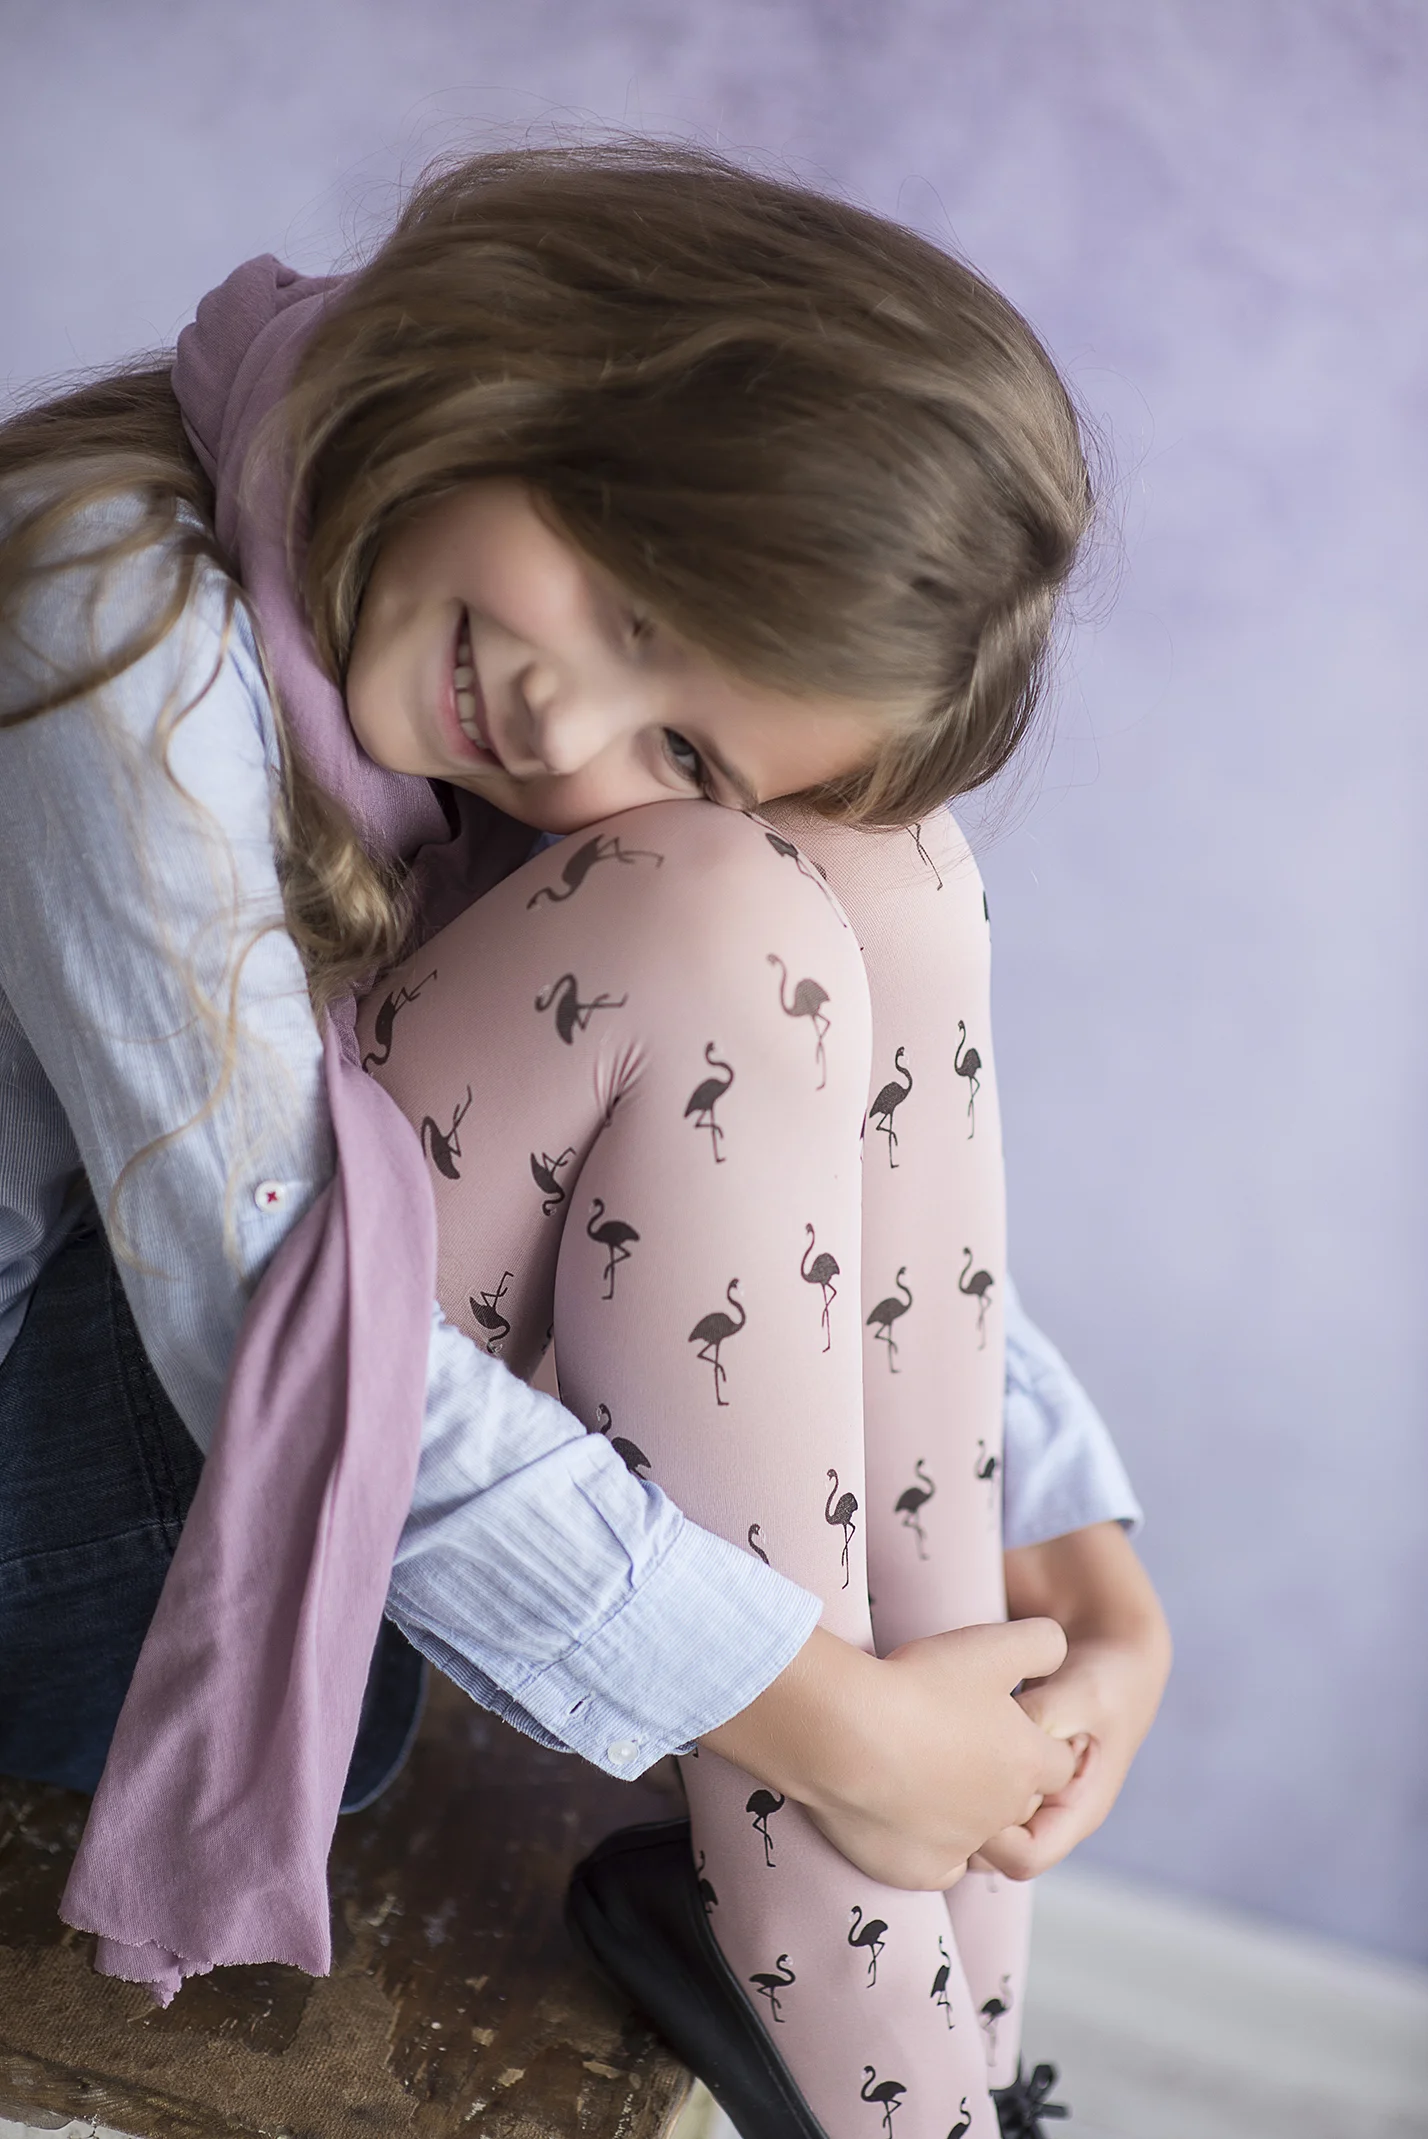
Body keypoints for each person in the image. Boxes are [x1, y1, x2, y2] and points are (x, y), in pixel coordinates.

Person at [0, 143, 1169, 2139]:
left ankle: (925, 2043)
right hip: (79, 1531)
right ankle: (874, 2033)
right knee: (703, 912)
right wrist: (841, 1729)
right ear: (553, 365)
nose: (565, 728)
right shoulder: (101, 615)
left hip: (264, 1441)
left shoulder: (429, 645)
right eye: (627, 602)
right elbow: (257, 1320)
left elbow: (802, 1179)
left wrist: (1077, 1567)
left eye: (681, 742)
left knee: (881, 877)